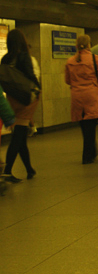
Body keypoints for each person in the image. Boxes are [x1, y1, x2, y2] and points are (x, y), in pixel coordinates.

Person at [65, 35, 98, 164]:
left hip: (77, 96)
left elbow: (67, 80)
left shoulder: (70, 61)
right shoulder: (95, 59)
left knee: (85, 126)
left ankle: (91, 151)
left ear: (76, 46)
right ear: (88, 45)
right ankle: (87, 155)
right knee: (91, 127)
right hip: (92, 95)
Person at [1, 29, 40, 183]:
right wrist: (38, 89)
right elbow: (31, 76)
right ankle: (7, 171)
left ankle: (29, 169)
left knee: (21, 135)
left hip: (12, 98)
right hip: (25, 99)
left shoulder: (5, 59)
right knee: (18, 135)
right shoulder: (25, 57)